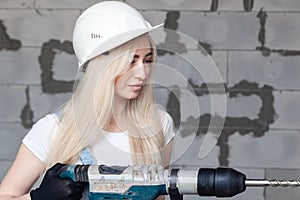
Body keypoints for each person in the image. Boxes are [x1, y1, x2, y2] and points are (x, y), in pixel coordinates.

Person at [0, 1, 175, 200]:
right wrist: (37, 198)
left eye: (147, 60)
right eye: (130, 61)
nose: (142, 73)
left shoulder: (159, 124)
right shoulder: (54, 130)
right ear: (100, 65)